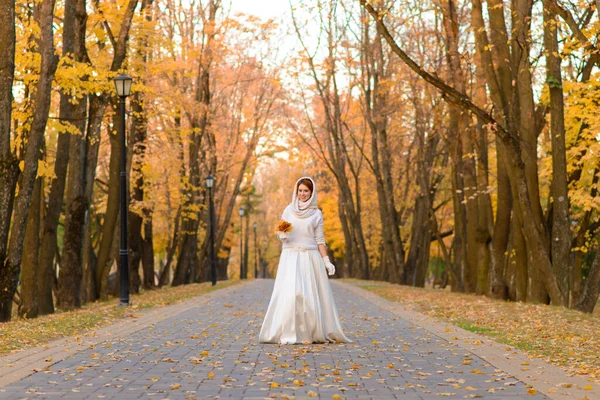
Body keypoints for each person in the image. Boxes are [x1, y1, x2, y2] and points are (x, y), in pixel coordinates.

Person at [259, 177, 351, 344]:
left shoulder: (316, 214)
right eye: (300, 190)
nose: (302, 194)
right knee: (292, 294)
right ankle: (288, 331)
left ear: (311, 193)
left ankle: (308, 332)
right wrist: (283, 235)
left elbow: (320, 240)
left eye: (306, 191)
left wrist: (326, 261)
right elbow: (282, 232)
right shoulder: (288, 210)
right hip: (290, 257)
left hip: (310, 258)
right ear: (296, 191)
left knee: (308, 297)